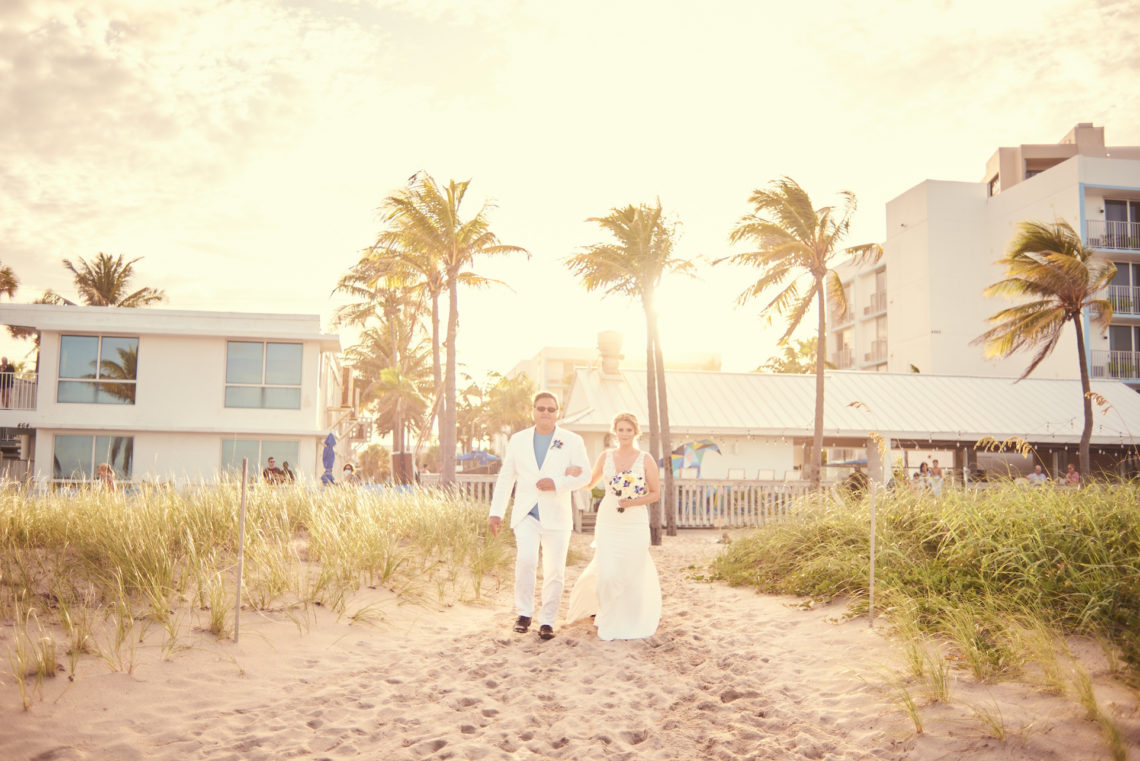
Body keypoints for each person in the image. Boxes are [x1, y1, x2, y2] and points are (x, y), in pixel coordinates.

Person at [488, 391, 590, 641]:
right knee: (526, 560)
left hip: (557, 516)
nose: (546, 412)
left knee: (555, 570)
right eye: (541, 408)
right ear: (533, 411)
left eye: (551, 409)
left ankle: (547, 620)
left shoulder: (572, 440)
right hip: (526, 513)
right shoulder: (518, 440)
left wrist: (557, 482)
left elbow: (584, 475)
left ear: (558, 413)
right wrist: (496, 513)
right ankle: (523, 613)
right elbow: (506, 477)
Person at [565, 412, 662, 640]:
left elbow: (655, 493)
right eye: (621, 429)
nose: (624, 434)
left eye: (629, 430)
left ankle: (632, 617)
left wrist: (632, 501)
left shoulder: (645, 459)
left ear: (635, 432)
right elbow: (589, 483)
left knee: (632, 570)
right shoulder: (605, 457)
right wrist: (574, 472)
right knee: (607, 571)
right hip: (608, 519)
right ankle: (607, 614)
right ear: (615, 431)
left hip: (635, 520)